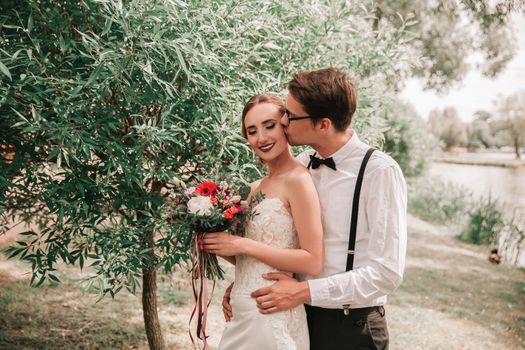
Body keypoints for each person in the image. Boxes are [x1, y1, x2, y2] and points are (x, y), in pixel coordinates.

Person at [222, 67, 407, 350]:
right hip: (296, 317)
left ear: (323, 124)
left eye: (290, 116)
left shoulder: (379, 171)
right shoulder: (302, 161)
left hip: (351, 327)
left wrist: (305, 291)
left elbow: (386, 273)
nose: (283, 121)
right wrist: (248, 284)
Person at [202, 93, 324, 349]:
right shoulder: (255, 188)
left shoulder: (298, 180)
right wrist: (215, 243)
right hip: (241, 310)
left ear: (285, 125)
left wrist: (241, 245)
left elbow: (313, 260)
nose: (262, 138)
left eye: (269, 126)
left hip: (273, 311)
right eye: (252, 131)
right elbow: (251, 258)